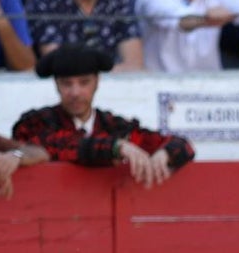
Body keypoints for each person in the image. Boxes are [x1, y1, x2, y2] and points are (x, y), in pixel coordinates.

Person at [12, 44, 195, 188]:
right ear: (57, 85)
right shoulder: (35, 123)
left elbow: (183, 145)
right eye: (67, 84)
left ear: (97, 82)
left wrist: (164, 153)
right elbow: (61, 145)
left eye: (84, 83)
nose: (75, 92)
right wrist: (116, 147)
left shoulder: (114, 126)